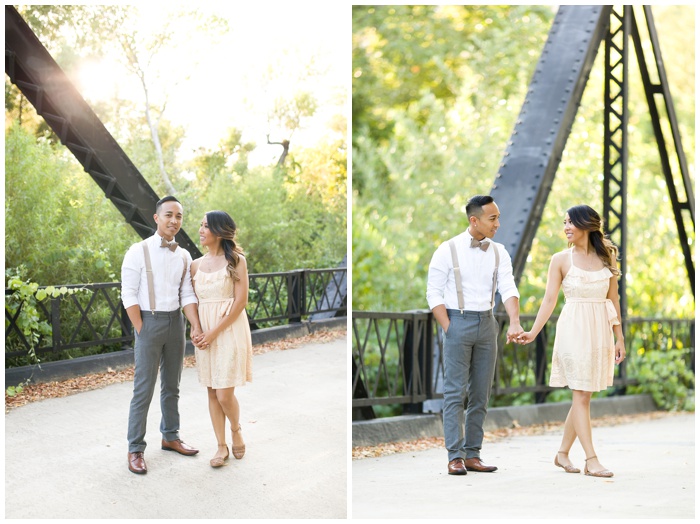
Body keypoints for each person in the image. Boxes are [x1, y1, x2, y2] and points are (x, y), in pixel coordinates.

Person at [516, 204, 625, 478]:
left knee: (584, 395)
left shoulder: (607, 257)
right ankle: (592, 459)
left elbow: (613, 299)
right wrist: (533, 332)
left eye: (570, 222)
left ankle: (562, 453)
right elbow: (550, 300)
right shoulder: (560, 260)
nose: (566, 227)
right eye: (564, 222)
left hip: (599, 329)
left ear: (587, 225)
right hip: (573, 328)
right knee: (581, 395)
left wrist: (619, 337)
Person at [426, 195, 523, 476]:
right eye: (492, 218)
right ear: (474, 220)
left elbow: (509, 287)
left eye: (498, 217)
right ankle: (454, 455)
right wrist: (449, 326)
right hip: (457, 321)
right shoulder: (448, 250)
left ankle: (473, 454)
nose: (498, 224)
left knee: (481, 392)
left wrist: (514, 322)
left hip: (487, 323)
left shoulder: (499, 251)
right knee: (455, 392)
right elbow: (433, 293)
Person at [121, 195, 203, 475]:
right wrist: (141, 328)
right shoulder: (138, 250)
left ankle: (170, 436)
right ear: (157, 218)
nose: (174, 221)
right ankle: (135, 449)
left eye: (179, 216)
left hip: (176, 323)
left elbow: (187, 293)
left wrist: (194, 325)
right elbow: (128, 293)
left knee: (172, 386)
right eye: (169, 215)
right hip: (149, 321)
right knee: (143, 389)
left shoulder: (183, 254)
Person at [190, 210, 253, 468]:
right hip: (203, 331)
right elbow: (190, 300)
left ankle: (236, 429)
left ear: (219, 230)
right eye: (201, 226)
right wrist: (195, 327)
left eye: (206, 226)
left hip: (228, 329)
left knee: (225, 393)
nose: (201, 230)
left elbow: (241, 302)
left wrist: (214, 332)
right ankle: (220, 446)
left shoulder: (236, 260)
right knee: (212, 391)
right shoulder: (194, 265)